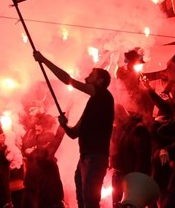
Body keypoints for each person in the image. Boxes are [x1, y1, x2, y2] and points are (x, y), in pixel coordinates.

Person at [33, 51, 114, 208]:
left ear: (100, 81)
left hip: (95, 157)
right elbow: (73, 134)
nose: (87, 76)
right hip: (85, 158)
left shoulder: (103, 95)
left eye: (92, 74)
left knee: (90, 201)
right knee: (82, 199)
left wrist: (44, 60)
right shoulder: (93, 104)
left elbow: (68, 80)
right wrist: (64, 124)